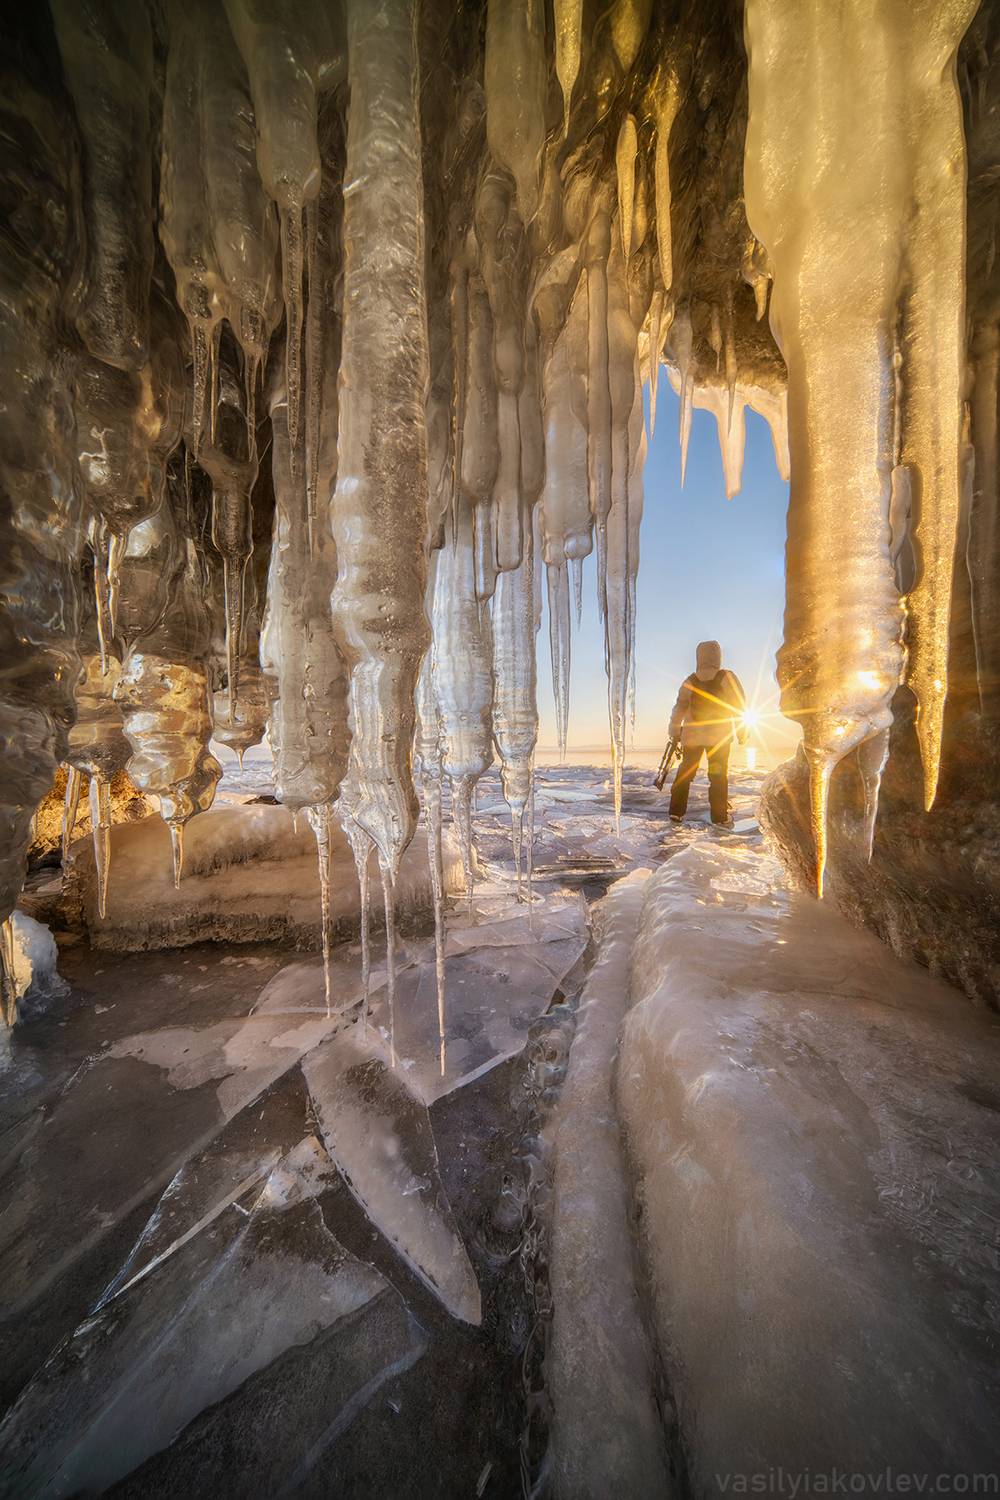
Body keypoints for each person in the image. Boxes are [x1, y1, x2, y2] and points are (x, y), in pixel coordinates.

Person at [666, 640, 746, 825]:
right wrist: (742, 730)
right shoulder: (727, 677)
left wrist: (674, 730)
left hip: (692, 737)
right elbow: (739, 705)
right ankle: (720, 817)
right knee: (717, 775)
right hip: (719, 736)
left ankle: (676, 812)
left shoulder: (690, 680)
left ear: (698, 657)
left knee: (686, 773)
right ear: (718, 656)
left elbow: (679, 708)